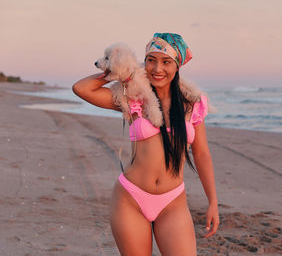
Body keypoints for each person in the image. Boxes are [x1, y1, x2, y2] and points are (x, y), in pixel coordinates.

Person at [72, 33, 219, 255]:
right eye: (151, 60)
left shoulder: (192, 103)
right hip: (131, 199)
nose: (157, 68)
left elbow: (201, 153)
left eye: (166, 62)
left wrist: (213, 202)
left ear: (177, 66)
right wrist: (118, 70)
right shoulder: (132, 97)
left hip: (173, 203)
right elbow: (81, 88)